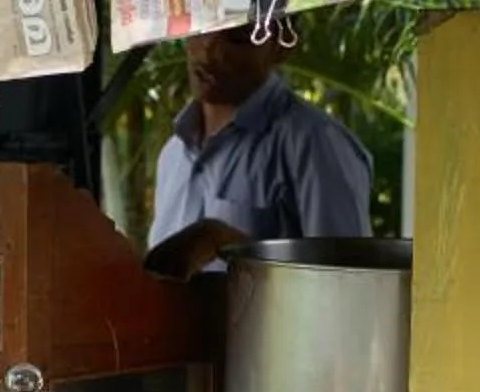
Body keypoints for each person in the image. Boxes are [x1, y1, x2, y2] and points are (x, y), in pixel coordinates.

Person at [145, 27, 374, 276]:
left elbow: (345, 286)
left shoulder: (316, 145)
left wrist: (228, 245)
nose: (209, 49)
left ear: (281, 46)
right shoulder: (173, 155)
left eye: (237, 38)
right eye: (200, 29)